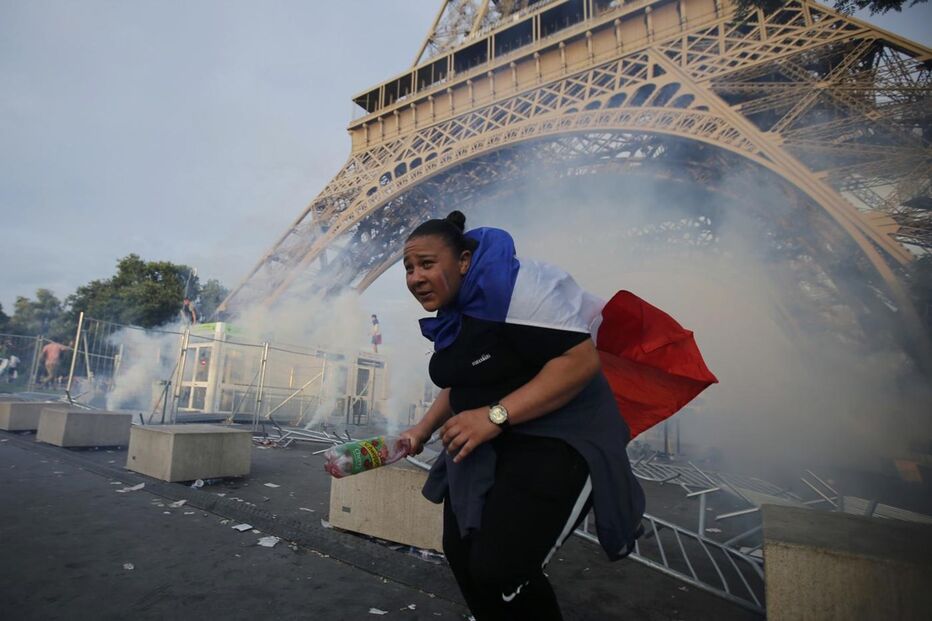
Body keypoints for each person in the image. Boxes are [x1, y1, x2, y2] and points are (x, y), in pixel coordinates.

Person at [399, 211, 716, 620]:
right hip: (495, 439)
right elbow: (467, 379)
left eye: (426, 264)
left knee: (501, 568)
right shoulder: (457, 311)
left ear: (462, 261)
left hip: (562, 437)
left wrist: (493, 416)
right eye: (408, 268)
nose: (415, 277)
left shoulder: (519, 291)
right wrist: (422, 430)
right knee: (461, 555)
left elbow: (580, 363)